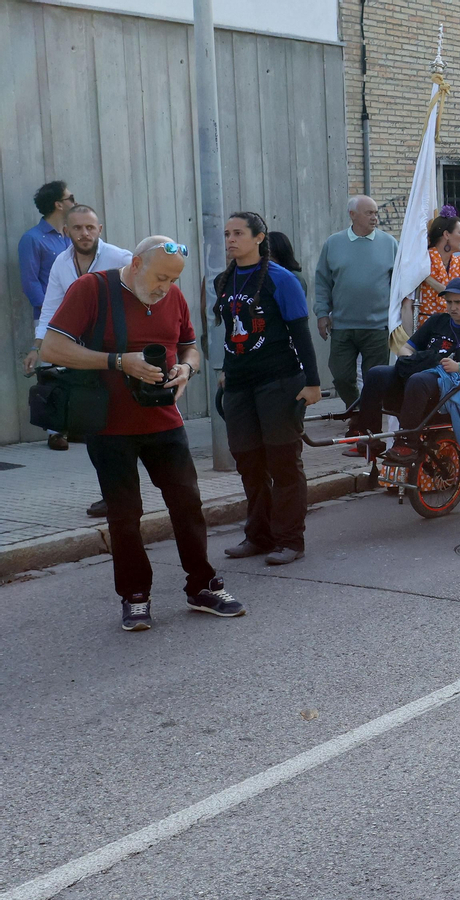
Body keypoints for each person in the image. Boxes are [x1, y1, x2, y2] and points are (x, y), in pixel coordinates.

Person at [40, 236, 243, 630]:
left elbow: (190, 347)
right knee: (124, 513)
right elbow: (52, 348)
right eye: (160, 278)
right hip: (109, 424)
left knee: (187, 503)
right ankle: (135, 595)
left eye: (173, 280)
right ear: (135, 264)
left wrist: (186, 369)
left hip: (164, 419)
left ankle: (202, 586)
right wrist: (119, 362)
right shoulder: (93, 289)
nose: (165, 288)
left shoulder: (174, 296)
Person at [214, 212, 322, 565]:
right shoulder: (223, 280)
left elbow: (301, 333)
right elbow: (230, 331)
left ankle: (290, 540)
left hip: (279, 381)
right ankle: (258, 536)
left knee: (283, 463)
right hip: (239, 384)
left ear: (259, 238)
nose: (230, 240)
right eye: (227, 234)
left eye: (238, 233)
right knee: (249, 462)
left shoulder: (282, 279)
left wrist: (313, 383)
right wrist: (226, 370)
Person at [350, 278, 460, 462]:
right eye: (449, 302)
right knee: (376, 373)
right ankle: (370, 435)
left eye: (458, 302)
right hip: (424, 375)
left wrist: (458, 367)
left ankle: (407, 442)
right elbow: (406, 348)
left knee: (418, 379)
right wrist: (412, 360)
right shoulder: (438, 320)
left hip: (455, 384)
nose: (452, 307)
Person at [30, 205, 133, 455]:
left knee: (117, 403)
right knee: (83, 403)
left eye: (89, 227)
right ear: (66, 231)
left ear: (100, 229)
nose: (84, 233)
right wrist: (38, 346)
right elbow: (51, 308)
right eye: (77, 228)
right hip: (79, 345)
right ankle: (60, 432)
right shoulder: (61, 262)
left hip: (116, 341)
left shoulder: (120, 258)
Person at [315, 195, 398, 429]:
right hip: (342, 325)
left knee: (374, 380)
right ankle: (358, 411)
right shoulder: (333, 243)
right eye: (369, 213)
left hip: (378, 326)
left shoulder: (390, 243)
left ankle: (369, 428)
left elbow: (399, 283)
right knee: (341, 376)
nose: (375, 217)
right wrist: (322, 313)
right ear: (352, 215)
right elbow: (322, 282)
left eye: (375, 212)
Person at [18, 180, 74, 327]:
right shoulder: (32, 239)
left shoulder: (72, 235)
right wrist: (50, 311)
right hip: (50, 317)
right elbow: (30, 282)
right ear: (59, 204)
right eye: (71, 198)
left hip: (78, 313)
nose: (75, 203)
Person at [416, 215, 460, 321]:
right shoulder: (423, 260)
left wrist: (427, 278)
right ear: (446, 234)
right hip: (426, 324)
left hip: (455, 323)